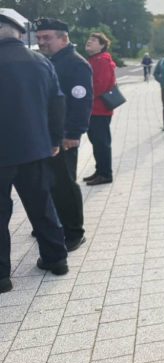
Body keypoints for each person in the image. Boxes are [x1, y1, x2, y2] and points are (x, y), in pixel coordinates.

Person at [0, 9, 69, 293]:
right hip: (35, 148)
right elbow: (57, 103)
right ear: (19, 33)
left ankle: (2, 277)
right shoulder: (40, 62)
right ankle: (56, 259)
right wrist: (55, 140)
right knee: (42, 205)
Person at [34, 18, 93, 251]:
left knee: (64, 184)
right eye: (39, 38)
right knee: (50, 182)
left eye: (47, 37)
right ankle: (56, 222)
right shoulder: (49, 61)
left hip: (64, 136)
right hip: (47, 133)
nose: (41, 42)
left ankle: (74, 232)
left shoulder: (75, 64)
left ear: (63, 38)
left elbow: (81, 101)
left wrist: (74, 133)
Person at [84, 32, 117, 186]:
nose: (89, 41)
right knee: (96, 142)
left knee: (101, 142)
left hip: (100, 110)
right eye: (89, 39)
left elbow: (100, 86)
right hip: (94, 109)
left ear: (102, 45)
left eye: (94, 40)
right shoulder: (94, 59)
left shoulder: (101, 61)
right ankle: (100, 171)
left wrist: (84, 95)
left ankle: (105, 174)